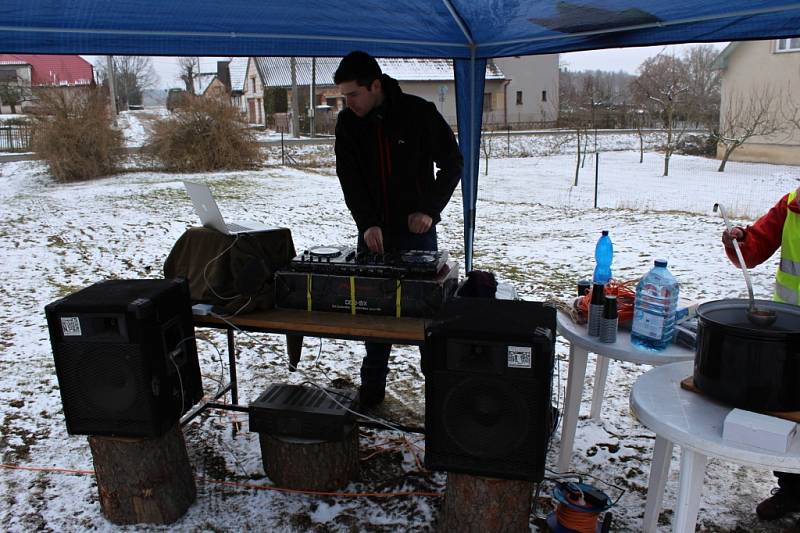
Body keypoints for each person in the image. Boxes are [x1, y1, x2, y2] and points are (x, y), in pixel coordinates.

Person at [333, 51, 463, 407]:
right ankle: (372, 390)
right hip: (373, 234)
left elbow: (452, 164)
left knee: (424, 319)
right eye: (344, 97)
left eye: (353, 95)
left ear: (375, 85)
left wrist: (429, 210)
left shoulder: (419, 114)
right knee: (375, 317)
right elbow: (350, 179)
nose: (348, 103)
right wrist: (366, 222)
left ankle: (438, 395)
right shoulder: (347, 124)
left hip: (417, 232)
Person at [722, 187, 800, 529]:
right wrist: (738, 240)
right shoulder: (792, 204)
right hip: (789, 330)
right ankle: (792, 490)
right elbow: (753, 251)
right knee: (785, 411)